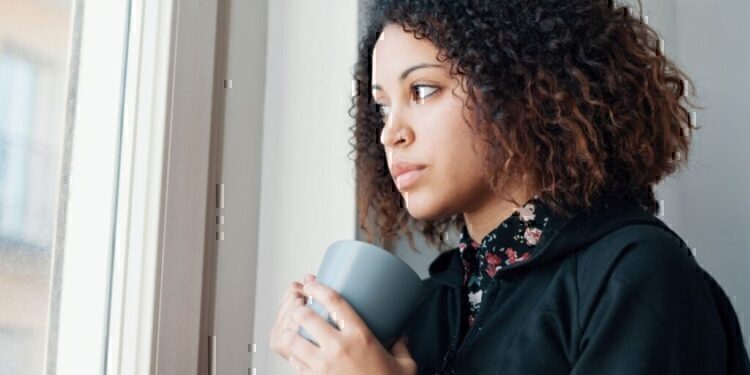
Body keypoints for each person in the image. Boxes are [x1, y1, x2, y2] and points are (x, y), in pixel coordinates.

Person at [270, 0, 750, 374]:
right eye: (381, 106)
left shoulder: (634, 274)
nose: (390, 132)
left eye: (422, 90)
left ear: (519, 88)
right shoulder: (428, 306)